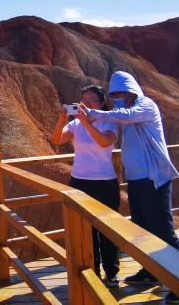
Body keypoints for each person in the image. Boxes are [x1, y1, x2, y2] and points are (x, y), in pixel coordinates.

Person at [80, 71, 179, 304]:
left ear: (131, 91)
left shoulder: (145, 105)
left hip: (154, 178)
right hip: (137, 179)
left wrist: (93, 113)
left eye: (121, 94)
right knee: (144, 229)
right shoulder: (124, 111)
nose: (117, 98)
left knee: (163, 229)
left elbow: (126, 116)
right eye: (114, 94)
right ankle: (150, 272)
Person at [51, 84, 121, 287]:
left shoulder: (108, 121)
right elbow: (56, 139)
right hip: (80, 181)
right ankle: (93, 272)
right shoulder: (75, 125)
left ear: (101, 104)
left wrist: (87, 123)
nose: (86, 104)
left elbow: (104, 142)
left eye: (92, 100)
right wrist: (62, 118)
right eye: (84, 101)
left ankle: (112, 272)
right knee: (86, 231)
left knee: (107, 230)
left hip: (105, 182)